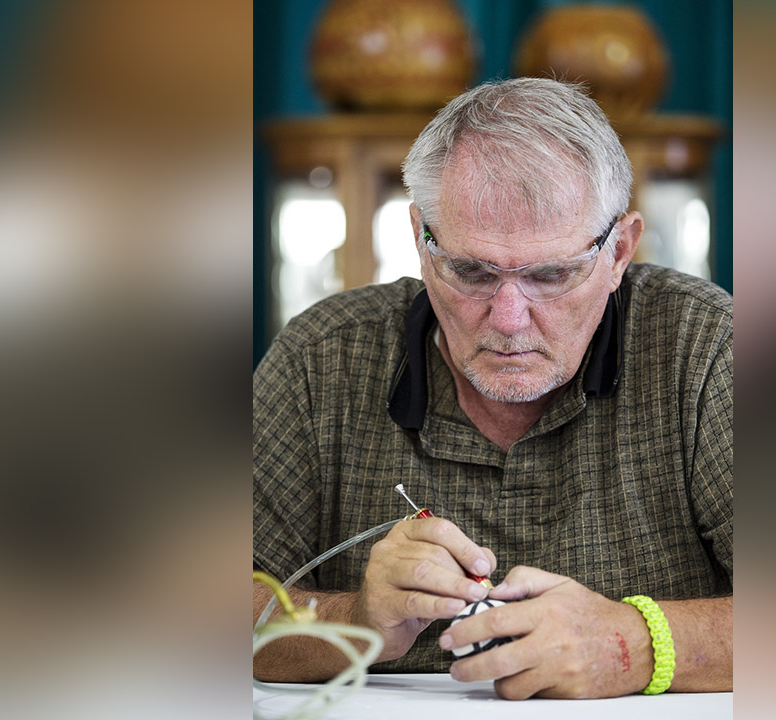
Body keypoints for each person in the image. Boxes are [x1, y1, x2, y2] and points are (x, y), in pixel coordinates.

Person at [253, 77, 732, 699]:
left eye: (553, 274)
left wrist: (637, 642)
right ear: (422, 244)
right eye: (471, 271)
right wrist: (353, 620)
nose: (508, 318)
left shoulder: (703, 349)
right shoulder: (322, 361)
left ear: (619, 252)